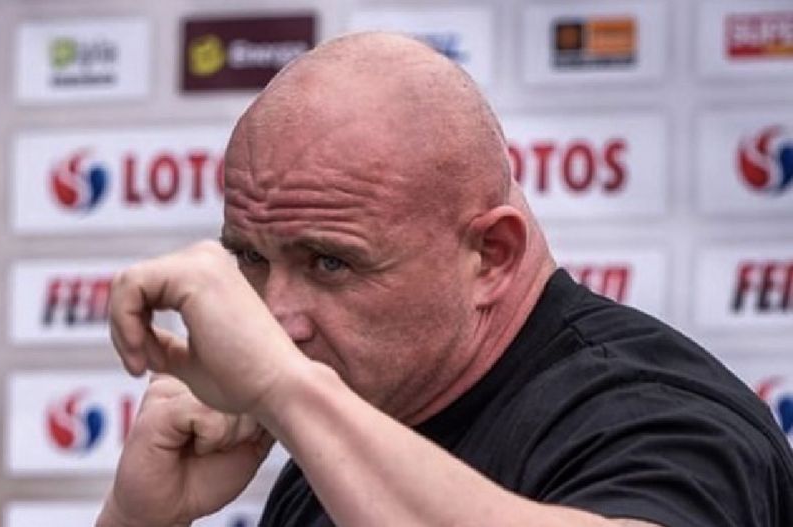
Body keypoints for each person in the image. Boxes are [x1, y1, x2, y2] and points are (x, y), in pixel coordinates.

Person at [96, 32, 793, 527]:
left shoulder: (659, 416)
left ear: (491, 255)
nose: (276, 319)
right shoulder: (350, 434)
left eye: (329, 263)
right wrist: (138, 518)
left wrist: (288, 391)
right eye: (251, 258)